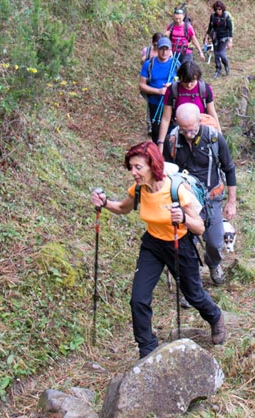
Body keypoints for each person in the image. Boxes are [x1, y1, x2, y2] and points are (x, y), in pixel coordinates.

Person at [91, 142, 226, 359]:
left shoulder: (176, 190)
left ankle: (215, 316)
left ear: (152, 165)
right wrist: (105, 202)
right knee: (138, 298)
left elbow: (199, 226)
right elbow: (123, 209)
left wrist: (182, 218)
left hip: (179, 244)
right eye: (131, 167)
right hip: (152, 245)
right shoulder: (138, 190)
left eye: (138, 167)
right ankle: (147, 350)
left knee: (194, 296)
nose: (133, 172)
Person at [162, 103, 237, 286]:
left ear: (199, 121)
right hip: (185, 198)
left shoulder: (213, 138)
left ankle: (213, 263)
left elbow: (229, 168)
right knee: (187, 242)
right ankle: (191, 282)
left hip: (212, 196)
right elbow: (167, 170)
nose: (189, 134)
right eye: (184, 130)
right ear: (176, 123)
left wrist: (231, 202)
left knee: (214, 241)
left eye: (192, 129)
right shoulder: (172, 140)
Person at [155, 60, 222, 146]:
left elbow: (212, 113)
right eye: (185, 82)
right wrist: (161, 142)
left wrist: (219, 135)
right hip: (179, 131)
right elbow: (165, 118)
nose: (189, 85)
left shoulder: (204, 89)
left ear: (197, 77)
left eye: (192, 81)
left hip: (200, 131)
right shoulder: (172, 90)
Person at [138, 37, 176, 141]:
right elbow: (142, 85)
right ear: (157, 49)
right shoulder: (148, 64)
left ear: (170, 50)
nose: (164, 52)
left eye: (166, 49)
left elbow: (183, 81)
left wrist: (172, 86)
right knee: (156, 132)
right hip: (155, 102)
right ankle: (158, 154)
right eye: (161, 49)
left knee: (172, 131)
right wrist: (158, 91)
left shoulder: (176, 64)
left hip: (172, 103)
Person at [205, 1, 233, 78]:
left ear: (222, 9)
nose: (218, 11)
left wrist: (230, 41)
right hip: (215, 37)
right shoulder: (213, 16)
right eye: (216, 9)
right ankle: (218, 69)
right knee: (216, 54)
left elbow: (230, 29)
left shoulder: (226, 16)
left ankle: (226, 64)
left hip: (224, 37)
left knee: (221, 53)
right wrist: (207, 37)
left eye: (220, 9)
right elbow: (210, 27)